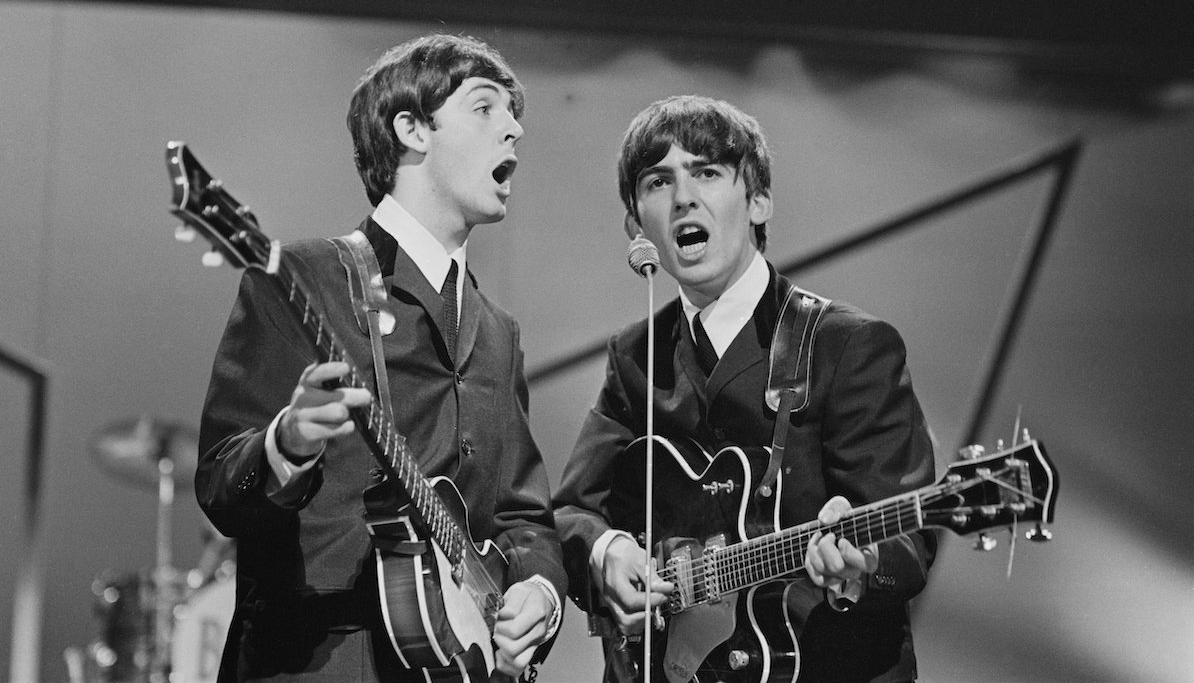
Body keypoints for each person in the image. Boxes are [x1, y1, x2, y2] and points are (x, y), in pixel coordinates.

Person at [196, 34, 567, 682]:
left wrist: (538, 591)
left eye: (515, 117)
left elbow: (522, 516)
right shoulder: (305, 277)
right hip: (316, 661)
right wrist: (287, 444)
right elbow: (223, 485)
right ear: (412, 129)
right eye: (486, 109)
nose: (512, 131)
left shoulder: (498, 331)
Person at [554, 95, 937, 682]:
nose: (683, 196)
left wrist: (859, 564)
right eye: (658, 182)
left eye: (706, 172)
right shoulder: (634, 356)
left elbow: (908, 539)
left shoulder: (848, 346)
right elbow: (575, 511)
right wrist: (609, 555)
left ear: (758, 201)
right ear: (637, 225)